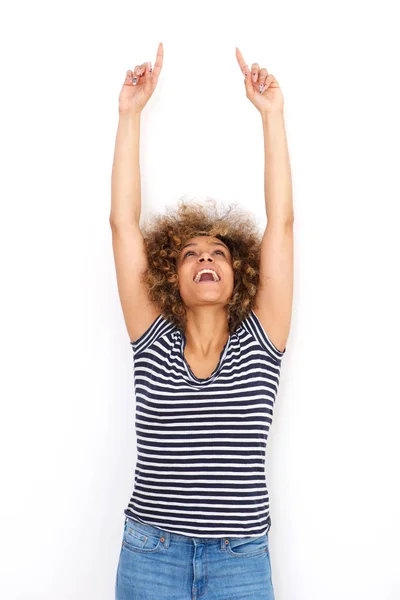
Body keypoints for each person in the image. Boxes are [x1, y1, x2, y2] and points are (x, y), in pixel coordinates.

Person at [110, 41, 294, 600]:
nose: (207, 259)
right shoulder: (152, 337)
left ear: (240, 275)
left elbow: (282, 226)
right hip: (151, 554)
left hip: (239, 558)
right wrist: (130, 115)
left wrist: (272, 117)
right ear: (172, 275)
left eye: (218, 253)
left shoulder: (263, 341)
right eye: (192, 254)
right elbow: (122, 225)